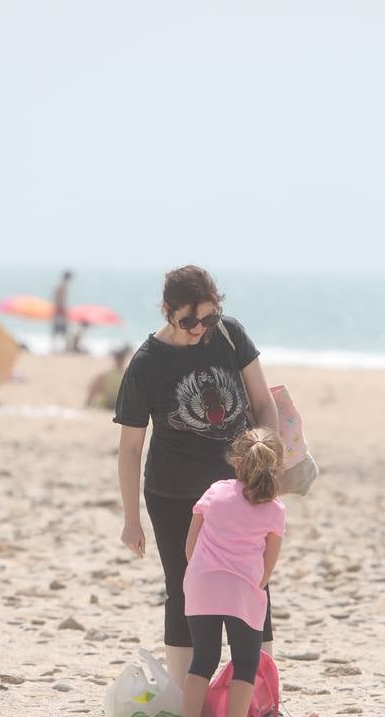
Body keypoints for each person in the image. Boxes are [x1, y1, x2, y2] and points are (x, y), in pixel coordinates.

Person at [113, 265, 279, 685]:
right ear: (167, 311)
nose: (198, 329)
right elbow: (131, 448)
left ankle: (261, 699)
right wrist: (131, 519)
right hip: (173, 493)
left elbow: (263, 404)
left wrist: (264, 463)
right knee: (184, 589)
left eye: (207, 318)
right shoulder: (146, 364)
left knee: (252, 584)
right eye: (188, 321)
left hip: (238, 490)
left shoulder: (228, 335)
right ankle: (187, 699)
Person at [175, 427, 286, 717]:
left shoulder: (215, 491)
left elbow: (190, 545)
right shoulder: (275, 509)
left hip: (202, 584)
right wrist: (257, 584)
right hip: (243, 590)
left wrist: (199, 574)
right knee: (246, 661)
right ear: (275, 466)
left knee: (204, 659)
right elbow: (269, 562)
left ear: (237, 462)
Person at [51, 270, 73, 352]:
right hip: (59, 311)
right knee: (61, 330)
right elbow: (59, 299)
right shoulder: (61, 286)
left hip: (59, 310)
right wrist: (61, 309)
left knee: (58, 330)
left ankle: (57, 347)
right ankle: (61, 347)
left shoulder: (60, 285)